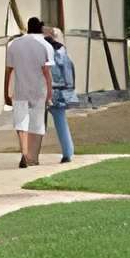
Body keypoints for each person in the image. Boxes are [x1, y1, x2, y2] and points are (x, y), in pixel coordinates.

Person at [4, 15, 55, 168]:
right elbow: (47, 73)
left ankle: (24, 153)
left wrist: (6, 92)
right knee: (37, 124)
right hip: (39, 91)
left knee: (21, 123)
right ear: (40, 28)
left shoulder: (14, 45)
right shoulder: (45, 45)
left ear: (28, 28)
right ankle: (34, 157)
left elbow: (9, 71)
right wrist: (50, 93)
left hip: (20, 90)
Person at [45, 19, 78, 162]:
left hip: (51, 90)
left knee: (52, 122)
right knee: (61, 121)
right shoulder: (64, 53)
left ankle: (67, 152)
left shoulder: (49, 53)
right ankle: (68, 152)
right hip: (64, 89)